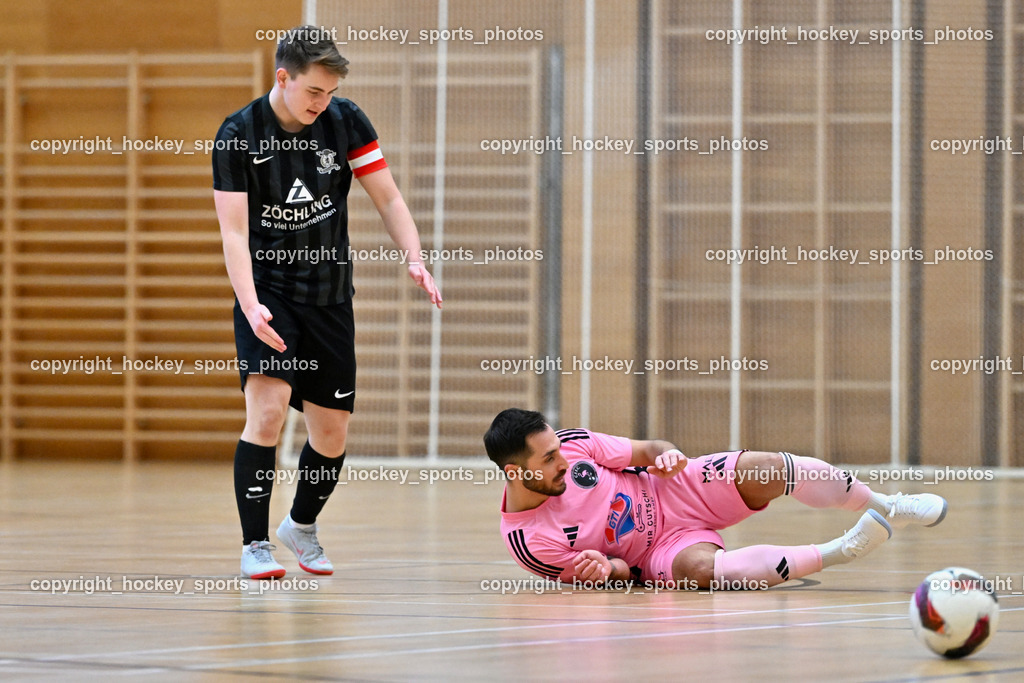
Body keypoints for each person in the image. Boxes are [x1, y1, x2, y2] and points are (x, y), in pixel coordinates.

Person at [213, 26, 442, 579]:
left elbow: (387, 196)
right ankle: (255, 545)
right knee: (266, 413)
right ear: (282, 78)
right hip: (267, 293)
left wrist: (414, 255)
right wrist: (250, 305)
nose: (323, 102)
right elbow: (234, 234)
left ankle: (301, 526)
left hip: (330, 296)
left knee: (332, 432)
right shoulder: (238, 135)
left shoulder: (345, 121)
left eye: (330, 93)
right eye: (314, 91)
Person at [483, 408, 947, 590]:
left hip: (672, 488)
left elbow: (647, 450)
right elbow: (618, 577)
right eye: (548, 459)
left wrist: (666, 456)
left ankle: (888, 505)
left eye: (559, 450)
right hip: (657, 552)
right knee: (704, 573)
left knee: (768, 467)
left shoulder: (572, 445)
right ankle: (842, 551)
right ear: (516, 471)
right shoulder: (529, 542)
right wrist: (606, 569)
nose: (563, 461)